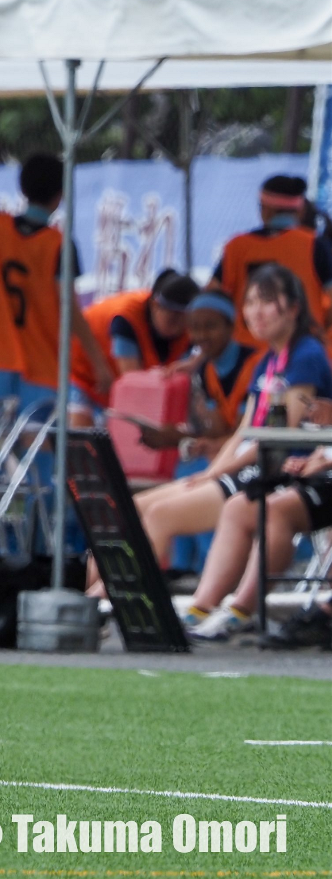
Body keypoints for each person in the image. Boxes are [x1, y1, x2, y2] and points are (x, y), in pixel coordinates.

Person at [123, 267, 332, 587]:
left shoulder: (305, 355)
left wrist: (218, 471)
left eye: (266, 302)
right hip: (248, 466)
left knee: (160, 514)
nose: (256, 312)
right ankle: (102, 596)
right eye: (249, 303)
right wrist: (210, 471)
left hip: (278, 472)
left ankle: (134, 604)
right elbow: (243, 433)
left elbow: (276, 440)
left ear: (294, 308)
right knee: (132, 507)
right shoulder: (268, 361)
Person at [0, 160, 113, 411]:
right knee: (36, 442)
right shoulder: (59, 245)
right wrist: (99, 363)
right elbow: (69, 309)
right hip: (41, 365)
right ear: (60, 195)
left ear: (23, 190)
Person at [181, 448, 332, 642]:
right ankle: (200, 609)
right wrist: (308, 461)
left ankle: (240, 613)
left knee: (275, 509)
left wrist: (324, 463)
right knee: (238, 507)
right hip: (320, 474)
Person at [209, 175, 332, 348]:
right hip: (301, 347)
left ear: (265, 209)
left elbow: (211, 301)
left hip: (247, 354)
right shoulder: (314, 245)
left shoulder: (236, 247)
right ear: (301, 210)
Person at [133, 292, 262, 457]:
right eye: (194, 327)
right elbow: (218, 431)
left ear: (231, 326)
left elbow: (244, 435)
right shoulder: (206, 370)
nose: (201, 335)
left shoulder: (256, 365)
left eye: (210, 326)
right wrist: (174, 436)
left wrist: (178, 438)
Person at [67, 269, 199, 426]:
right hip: (86, 371)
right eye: (172, 317)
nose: (179, 325)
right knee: (81, 438)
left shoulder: (190, 330)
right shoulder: (126, 320)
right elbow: (133, 383)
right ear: (154, 305)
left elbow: (176, 381)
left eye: (185, 317)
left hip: (119, 380)